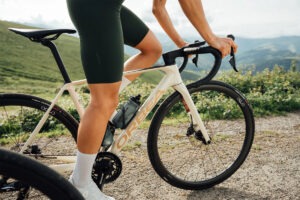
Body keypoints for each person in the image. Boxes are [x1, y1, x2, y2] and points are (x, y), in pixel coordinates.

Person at [66, 0, 237, 199]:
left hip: (107, 6)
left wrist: (181, 44)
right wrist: (212, 38)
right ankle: (80, 184)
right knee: (103, 101)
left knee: (152, 49)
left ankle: (105, 103)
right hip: (97, 6)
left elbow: (159, 8)